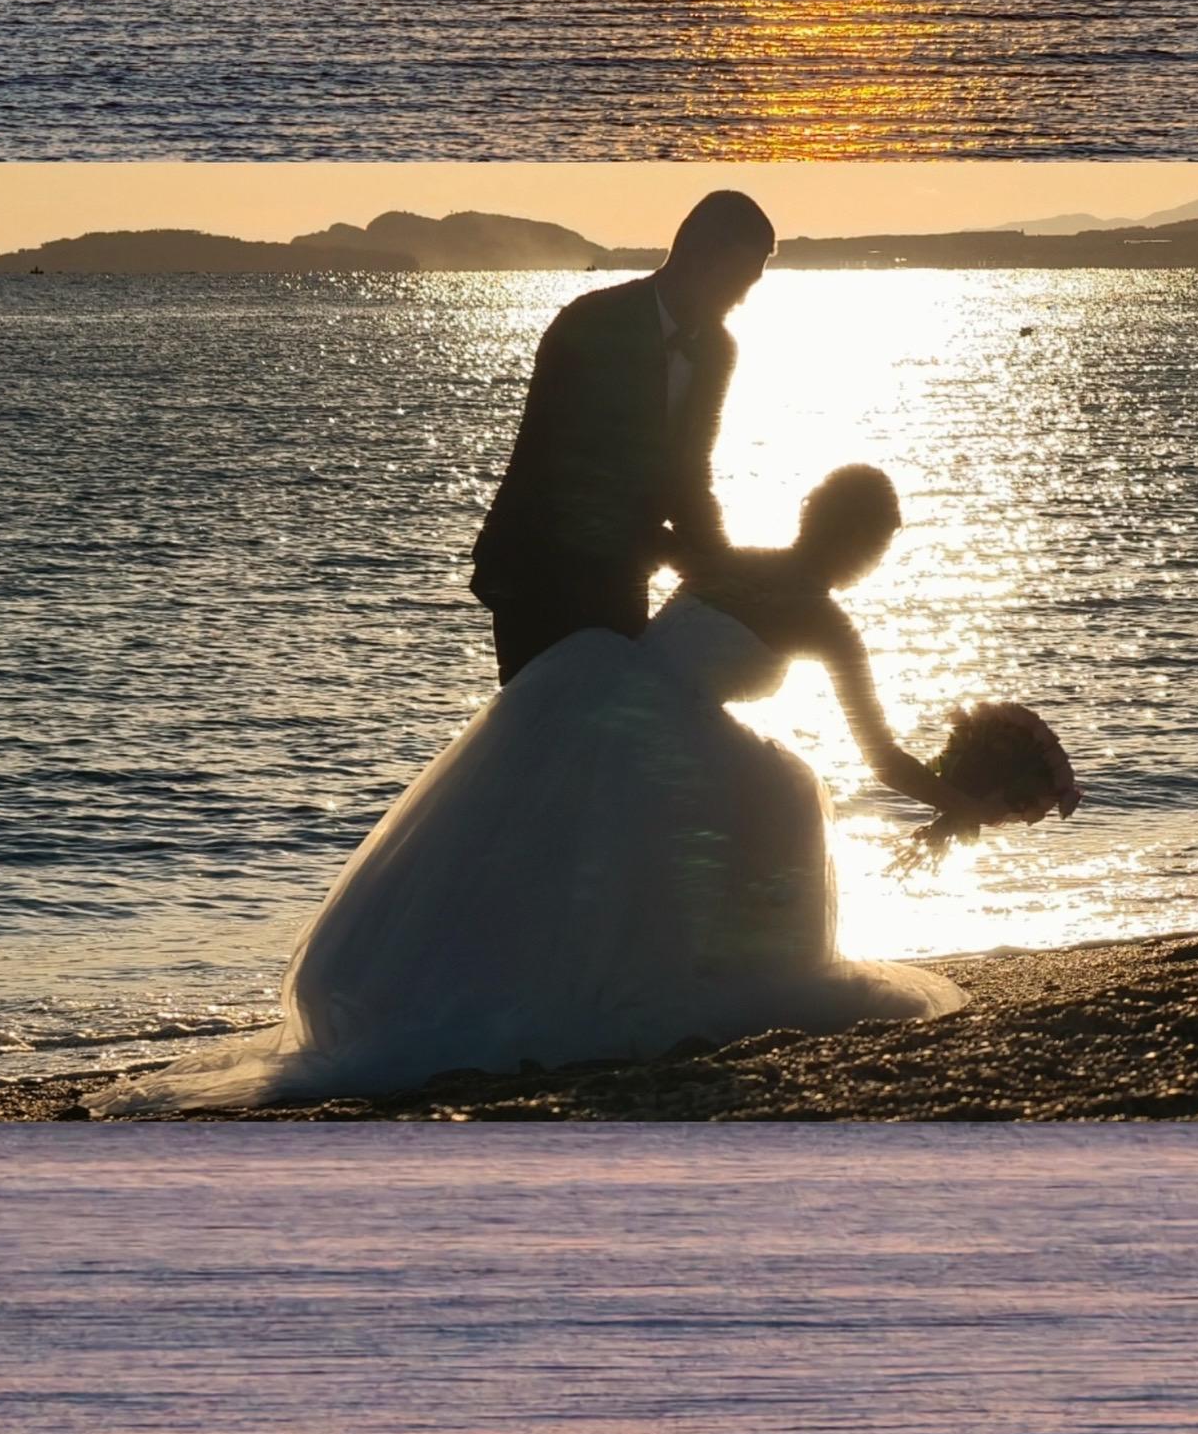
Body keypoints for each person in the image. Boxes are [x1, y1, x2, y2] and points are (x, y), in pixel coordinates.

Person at [89, 465, 962, 1108]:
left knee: (537, 852)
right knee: (781, 793)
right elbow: (881, 759)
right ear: (862, 545)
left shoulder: (723, 557)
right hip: (667, 733)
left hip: (594, 687)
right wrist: (963, 797)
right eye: (875, 547)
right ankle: (701, 969)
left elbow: (635, 531)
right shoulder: (822, 619)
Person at [470, 190, 775, 683]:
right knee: (543, 736)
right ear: (700, 257)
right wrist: (676, 553)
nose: (742, 298)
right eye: (739, 279)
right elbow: (567, 470)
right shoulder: (590, 324)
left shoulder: (718, 349)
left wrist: (721, 570)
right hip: (536, 571)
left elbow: (690, 471)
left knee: (615, 736)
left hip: (622, 575)